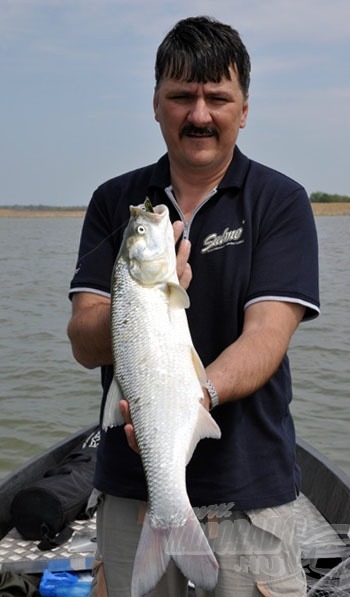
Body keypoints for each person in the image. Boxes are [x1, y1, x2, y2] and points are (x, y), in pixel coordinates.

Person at [67, 15, 320, 597]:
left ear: (245, 108)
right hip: (133, 495)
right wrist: (137, 296)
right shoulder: (116, 203)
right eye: (181, 96)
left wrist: (193, 398)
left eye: (217, 97)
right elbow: (83, 339)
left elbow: (266, 338)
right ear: (155, 103)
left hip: (249, 501)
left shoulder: (279, 201)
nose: (199, 114)